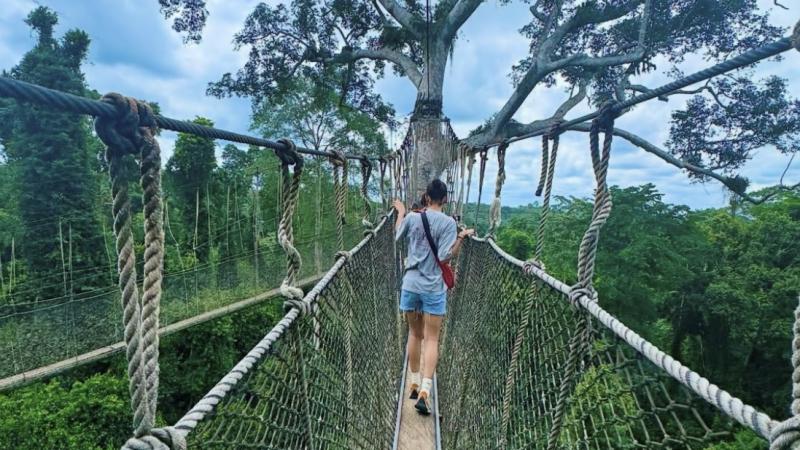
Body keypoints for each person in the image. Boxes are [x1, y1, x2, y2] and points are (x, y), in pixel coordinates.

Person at [393, 179, 474, 415]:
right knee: (431, 339)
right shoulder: (449, 223)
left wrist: (401, 212)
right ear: (446, 199)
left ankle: (414, 383)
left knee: (414, 334)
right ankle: (426, 392)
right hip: (433, 287)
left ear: (426, 197)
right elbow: (445, 256)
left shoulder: (412, 217)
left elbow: (397, 237)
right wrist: (461, 236)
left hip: (410, 284)